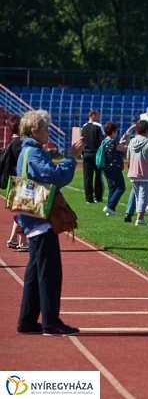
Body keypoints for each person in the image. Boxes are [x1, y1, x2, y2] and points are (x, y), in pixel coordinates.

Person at [15, 110, 83, 336]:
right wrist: (70, 158)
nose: (48, 133)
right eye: (46, 129)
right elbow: (56, 177)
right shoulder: (34, 153)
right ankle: (50, 322)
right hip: (40, 219)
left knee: (35, 273)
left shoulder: (28, 151)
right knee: (49, 274)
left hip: (33, 218)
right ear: (34, 131)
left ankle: (27, 320)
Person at [127, 120, 148, 226]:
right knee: (143, 196)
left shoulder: (132, 141)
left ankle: (139, 217)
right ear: (147, 130)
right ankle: (140, 218)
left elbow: (128, 156)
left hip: (133, 172)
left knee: (138, 196)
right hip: (146, 172)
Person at [3, 114, 27, 251]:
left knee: (20, 212)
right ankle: (22, 242)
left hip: (14, 182)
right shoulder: (19, 143)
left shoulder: (12, 141)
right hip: (20, 182)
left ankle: (12, 240)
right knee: (24, 212)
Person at [100, 122, 132, 216]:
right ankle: (110, 207)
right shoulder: (113, 142)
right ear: (113, 132)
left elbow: (117, 147)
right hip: (114, 168)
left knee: (112, 188)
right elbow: (126, 149)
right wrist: (127, 140)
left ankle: (111, 209)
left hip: (106, 168)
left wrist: (123, 139)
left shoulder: (105, 141)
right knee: (121, 187)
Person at [81, 109, 104, 204]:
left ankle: (89, 198)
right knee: (98, 176)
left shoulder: (84, 127)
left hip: (86, 154)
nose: (99, 117)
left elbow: (82, 140)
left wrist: (82, 152)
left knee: (87, 177)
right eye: (98, 115)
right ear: (93, 115)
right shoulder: (98, 126)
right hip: (96, 154)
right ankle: (98, 197)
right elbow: (102, 141)